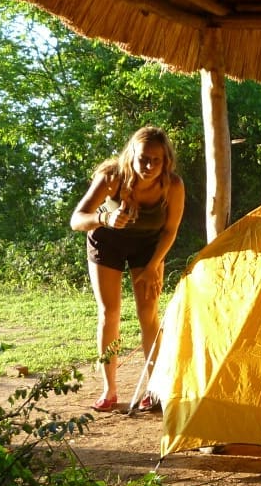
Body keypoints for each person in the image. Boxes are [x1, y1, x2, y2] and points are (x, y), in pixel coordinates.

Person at [70, 126, 185, 412]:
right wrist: (105, 216)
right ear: (131, 154)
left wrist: (152, 266)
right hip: (106, 241)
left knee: (148, 313)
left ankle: (154, 389)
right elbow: (76, 219)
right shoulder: (111, 178)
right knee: (109, 313)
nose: (149, 166)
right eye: (143, 158)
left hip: (148, 246)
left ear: (165, 160)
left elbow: (170, 231)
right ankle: (109, 390)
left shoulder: (172, 185)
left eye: (156, 160)